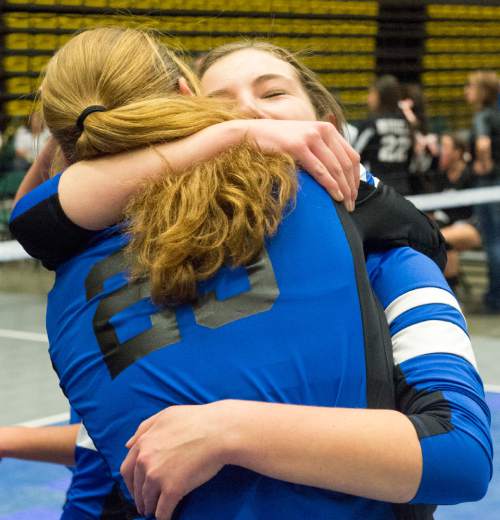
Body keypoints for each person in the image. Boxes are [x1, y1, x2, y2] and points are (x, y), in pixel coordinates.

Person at [10, 32, 490, 520]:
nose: (249, 115)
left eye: (273, 93)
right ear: (182, 117)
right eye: (219, 105)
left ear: (328, 128)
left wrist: (228, 431)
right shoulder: (97, 270)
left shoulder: (386, 259)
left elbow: (461, 453)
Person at [465, 70, 500, 312]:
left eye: (470, 86)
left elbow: (483, 143)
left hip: (489, 185)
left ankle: (495, 297)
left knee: (494, 242)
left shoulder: (483, 117)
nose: (466, 90)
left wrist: (483, 165)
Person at [428, 133, 481, 287]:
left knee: (441, 240)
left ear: (457, 152)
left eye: (445, 147)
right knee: (432, 239)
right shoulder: (440, 176)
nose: (440, 151)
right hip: (446, 225)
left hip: (472, 227)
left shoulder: (471, 173)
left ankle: (452, 291)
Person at [354, 75, 413, 195]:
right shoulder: (406, 123)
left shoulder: (372, 124)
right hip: (403, 188)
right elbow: (411, 158)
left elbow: (354, 156)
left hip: (379, 190)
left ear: (379, 96)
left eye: (371, 93)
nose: (368, 98)